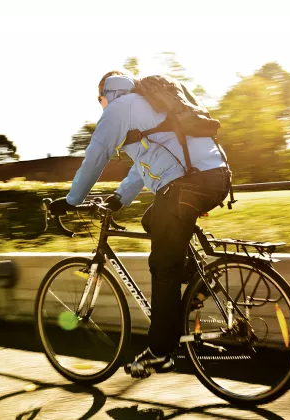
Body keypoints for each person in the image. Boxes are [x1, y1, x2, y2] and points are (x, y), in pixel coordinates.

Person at [49, 70, 232, 378]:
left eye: (99, 99)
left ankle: (160, 353)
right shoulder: (148, 106)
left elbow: (96, 155)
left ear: (107, 93)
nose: (101, 104)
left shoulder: (120, 108)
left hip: (188, 185)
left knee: (163, 266)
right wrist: (119, 199)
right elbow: (142, 167)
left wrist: (72, 200)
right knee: (153, 220)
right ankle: (199, 280)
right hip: (214, 178)